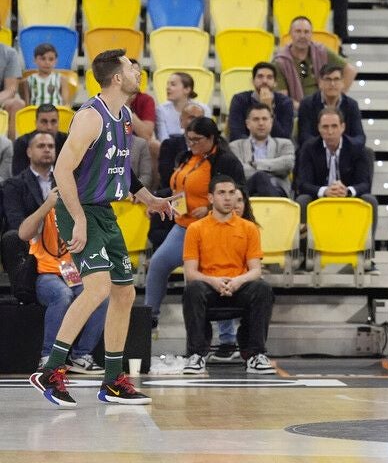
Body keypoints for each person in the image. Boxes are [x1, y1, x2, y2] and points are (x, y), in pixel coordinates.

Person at [30, 49, 178, 407]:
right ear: (116, 78)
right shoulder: (89, 118)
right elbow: (61, 171)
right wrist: (78, 218)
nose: (137, 71)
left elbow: (121, 171)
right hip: (77, 210)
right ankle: (51, 369)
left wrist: (151, 200)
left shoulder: (124, 114)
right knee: (96, 289)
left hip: (104, 212)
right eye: (131, 66)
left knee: (125, 294)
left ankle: (113, 380)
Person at [144, 117, 246, 330]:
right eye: (188, 139)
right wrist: (157, 201)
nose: (191, 144)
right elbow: (178, 190)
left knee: (215, 276)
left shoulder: (226, 161)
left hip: (213, 228)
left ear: (211, 138)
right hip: (183, 226)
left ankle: (226, 339)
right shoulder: (186, 156)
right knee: (158, 264)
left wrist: (210, 209)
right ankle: (149, 319)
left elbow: (238, 194)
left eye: (196, 140)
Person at [180, 175, 275, 375]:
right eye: (222, 193)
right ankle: (196, 355)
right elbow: (190, 272)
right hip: (209, 287)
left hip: (238, 287)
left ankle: (256, 354)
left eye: (232, 193)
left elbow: (256, 270)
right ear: (211, 198)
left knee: (263, 288)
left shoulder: (249, 228)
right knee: (193, 289)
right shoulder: (195, 228)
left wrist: (238, 280)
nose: (228, 198)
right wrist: (213, 281)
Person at [18, 176, 106, 374]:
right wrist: (46, 205)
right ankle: (48, 356)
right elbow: (22, 234)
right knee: (62, 295)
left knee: (100, 297)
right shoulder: (48, 212)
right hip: (46, 275)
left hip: (74, 275)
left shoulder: (82, 214)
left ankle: (80, 355)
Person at [294, 108, 376, 230]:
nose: (330, 131)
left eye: (334, 126)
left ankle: (366, 246)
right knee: (302, 200)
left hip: (347, 196)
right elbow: (302, 184)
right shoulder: (309, 148)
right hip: (319, 197)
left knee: (370, 200)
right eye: (325, 127)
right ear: (319, 128)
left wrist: (347, 191)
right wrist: (325, 191)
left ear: (342, 127)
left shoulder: (357, 148)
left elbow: (365, 184)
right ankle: (304, 246)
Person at [273, 16, 356, 105]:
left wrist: (336, 98)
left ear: (311, 34)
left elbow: (351, 70)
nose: (302, 36)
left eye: (306, 32)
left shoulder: (321, 52)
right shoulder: (280, 61)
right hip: (296, 111)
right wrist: (306, 110)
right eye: (298, 31)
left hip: (324, 107)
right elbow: (282, 98)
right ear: (290, 34)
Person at [229, 103, 294, 198]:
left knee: (261, 177)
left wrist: (257, 164)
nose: (261, 123)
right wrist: (271, 169)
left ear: (271, 122)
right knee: (260, 177)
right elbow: (238, 171)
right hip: (246, 191)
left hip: (277, 190)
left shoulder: (284, 144)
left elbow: (287, 164)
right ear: (247, 124)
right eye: (256, 119)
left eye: (264, 119)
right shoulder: (235, 146)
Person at [297, 63, 365, 151]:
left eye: (336, 79)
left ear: (342, 83)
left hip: (344, 151)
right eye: (328, 79)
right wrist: (327, 144)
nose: (332, 84)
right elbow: (304, 137)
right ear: (320, 83)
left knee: (367, 153)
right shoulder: (307, 104)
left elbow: (360, 137)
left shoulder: (351, 105)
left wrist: (339, 144)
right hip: (316, 152)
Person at [4, 129, 56, 243]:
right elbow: (16, 225)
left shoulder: (66, 181)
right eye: (41, 146)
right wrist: (48, 205)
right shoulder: (13, 185)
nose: (47, 150)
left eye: (51, 146)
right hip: (30, 243)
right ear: (29, 152)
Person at [227, 63, 295, 142]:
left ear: (275, 83)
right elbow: (236, 134)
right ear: (253, 81)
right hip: (245, 148)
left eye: (269, 77)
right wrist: (256, 146)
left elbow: (284, 137)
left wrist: (269, 108)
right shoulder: (239, 100)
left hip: (275, 150)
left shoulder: (285, 102)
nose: (265, 81)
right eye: (260, 76)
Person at [12, 103, 67, 175]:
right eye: (44, 121)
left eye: (53, 121)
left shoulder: (67, 141)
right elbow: (18, 175)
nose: (49, 127)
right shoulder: (22, 143)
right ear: (36, 123)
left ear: (58, 122)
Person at [155, 72, 211, 142]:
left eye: (173, 84)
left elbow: (206, 138)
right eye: (167, 84)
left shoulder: (203, 109)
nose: (167, 87)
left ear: (187, 89)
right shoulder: (161, 110)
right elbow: (164, 140)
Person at [24, 42, 72, 107]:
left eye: (51, 59)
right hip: (35, 115)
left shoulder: (61, 79)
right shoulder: (29, 80)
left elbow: (66, 103)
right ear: (35, 60)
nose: (47, 62)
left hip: (56, 114)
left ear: (56, 61)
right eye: (43, 59)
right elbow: (27, 104)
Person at [0, 39, 24, 138]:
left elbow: (11, 89)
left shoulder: (9, 53)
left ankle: (11, 148)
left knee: (17, 104)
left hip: (1, 99)